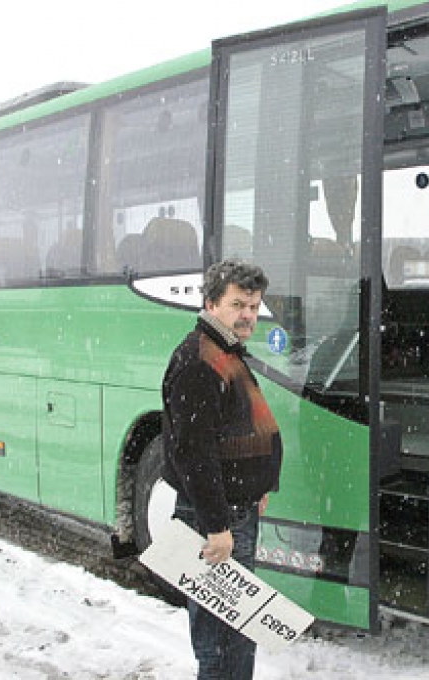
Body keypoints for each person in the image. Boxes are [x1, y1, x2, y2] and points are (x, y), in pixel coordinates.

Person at [161, 259, 281, 680]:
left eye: (253, 305)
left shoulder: (223, 351)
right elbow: (193, 453)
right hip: (216, 522)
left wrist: (261, 484)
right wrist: (216, 526)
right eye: (237, 304)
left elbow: (240, 428)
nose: (247, 314)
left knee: (236, 637)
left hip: (233, 512)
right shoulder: (200, 361)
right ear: (211, 303)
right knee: (219, 646)